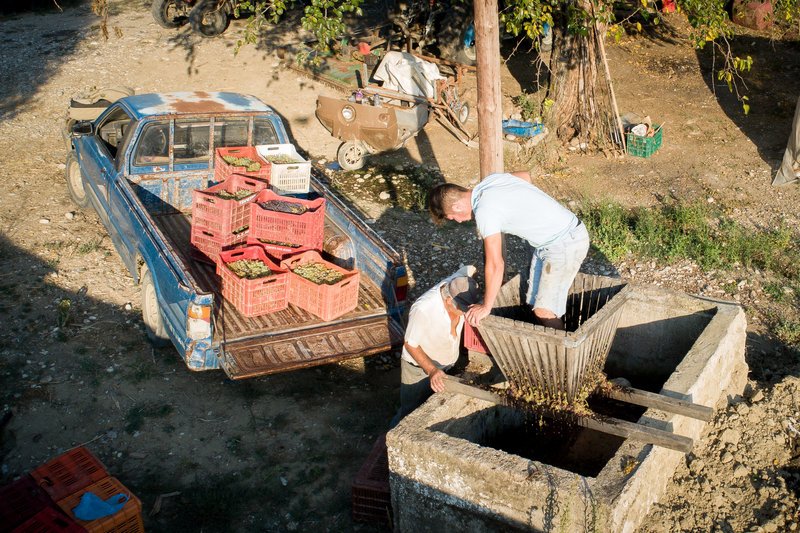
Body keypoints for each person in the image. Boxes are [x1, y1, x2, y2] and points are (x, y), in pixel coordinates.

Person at [427, 171, 590, 330]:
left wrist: (486, 307)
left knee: (544, 310)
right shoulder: (490, 181)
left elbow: (496, 264)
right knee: (534, 304)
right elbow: (525, 176)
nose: (458, 221)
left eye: (452, 217)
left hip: (564, 243)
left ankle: (564, 353)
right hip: (552, 241)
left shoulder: (485, 212)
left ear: (456, 206)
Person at [391, 268, 480, 426]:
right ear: (448, 301)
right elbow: (410, 344)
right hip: (419, 369)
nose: (465, 313)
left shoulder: (459, 280)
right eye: (463, 310)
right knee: (410, 411)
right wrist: (431, 370)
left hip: (447, 363)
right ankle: (389, 441)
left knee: (435, 403)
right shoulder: (423, 309)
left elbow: (471, 268)